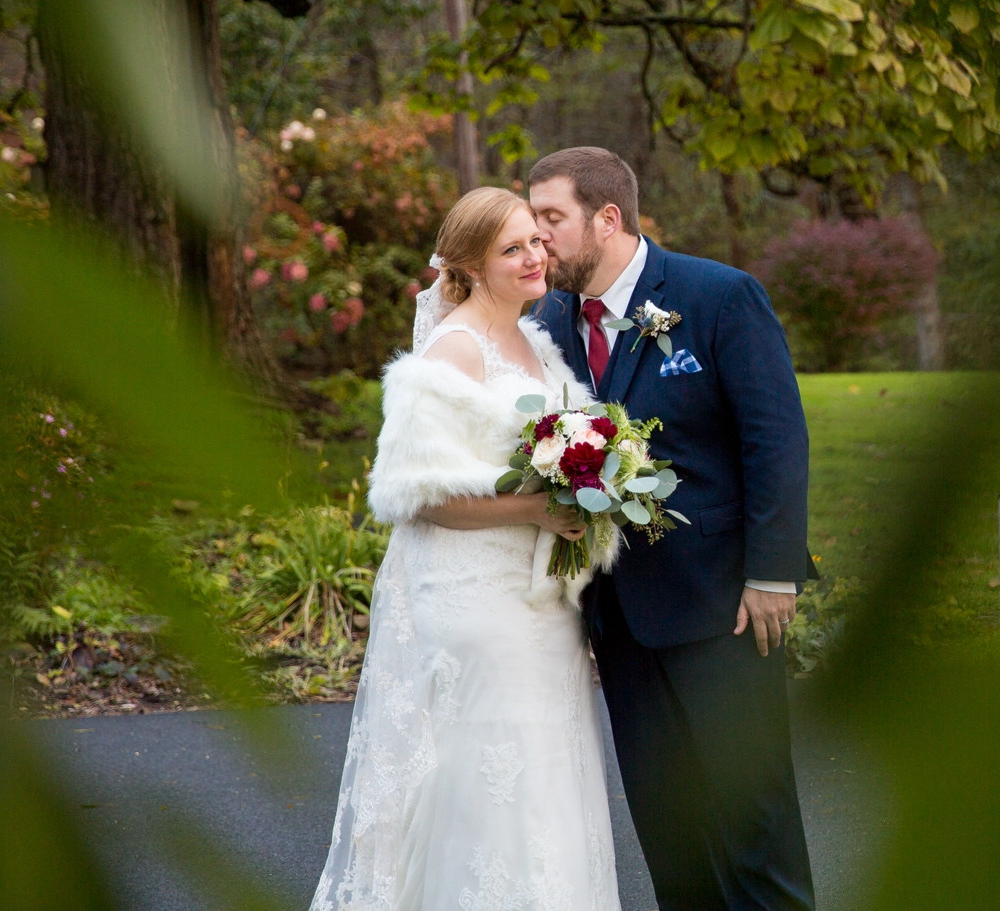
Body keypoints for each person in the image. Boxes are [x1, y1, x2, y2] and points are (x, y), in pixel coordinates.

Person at [311, 185, 622, 911]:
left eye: (536, 242)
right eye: (511, 249)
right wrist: (541, 507)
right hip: (475, 604)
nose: (534, 256)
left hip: (540, 605)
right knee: (495, 786)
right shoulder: (454, 348)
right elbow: (413, 492)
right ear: (471, 266)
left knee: (547, 779)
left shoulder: (538, 340)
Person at [527, 147, 816, 911]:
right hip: (618, 617)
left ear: (608, 217)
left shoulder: (718, 296)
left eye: (551, 218)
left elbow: (774, 437)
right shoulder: (548, 319)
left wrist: (774, 571)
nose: (538, 237)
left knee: (753, 821)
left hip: (724, 606)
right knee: (669, 833)